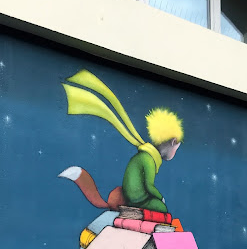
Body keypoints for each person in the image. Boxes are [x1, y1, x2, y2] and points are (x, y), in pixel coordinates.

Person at [59, 70, 183, 213]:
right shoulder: (148, 159)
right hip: (137, 200)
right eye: (176, 148)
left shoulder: (146, 155)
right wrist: (161, 198)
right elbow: (149, 186)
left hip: (134, 198)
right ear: (173, 142)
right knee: (161, 207)